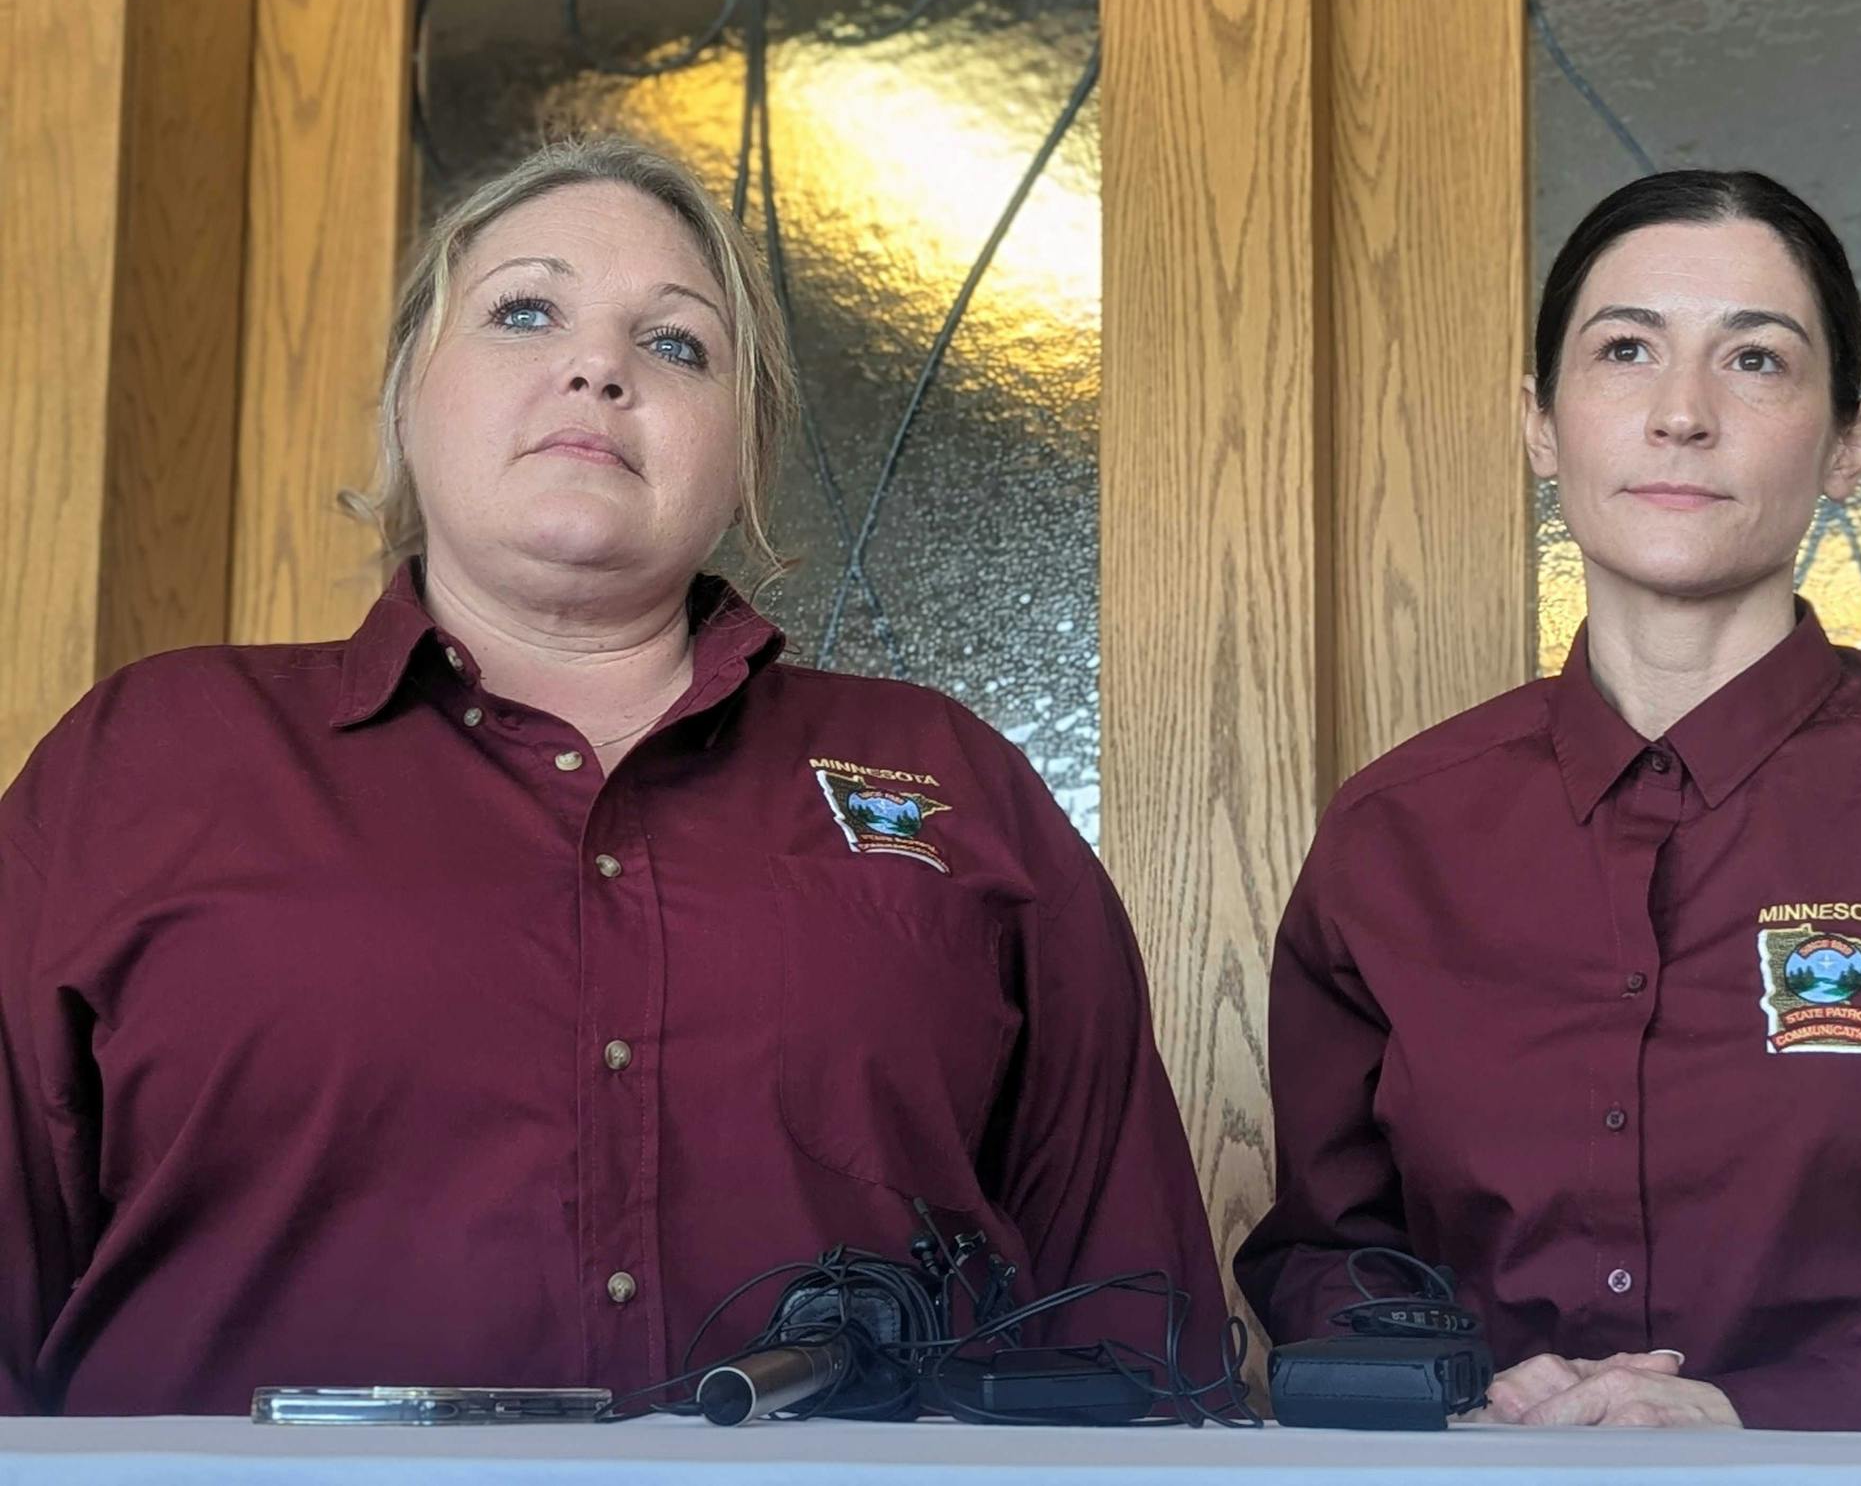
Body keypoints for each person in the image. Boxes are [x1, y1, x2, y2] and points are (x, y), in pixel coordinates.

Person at [0, 135, 1226, 1416]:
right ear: (411, 395)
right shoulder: (152, 755)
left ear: (742, 451)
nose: (597, 368)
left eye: (678, 345)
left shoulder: (945, 779)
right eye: (525, 312)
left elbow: (1133, 1332)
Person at [1235, 169, 1861, 1436]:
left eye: (1757, 361)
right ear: (1541, 425)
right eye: (1626, 350)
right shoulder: (1394, 832)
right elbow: (1321, 1255)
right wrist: (1460, 1388)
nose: (1681, 414)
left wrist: (1753, 1418)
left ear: (1852, 443)